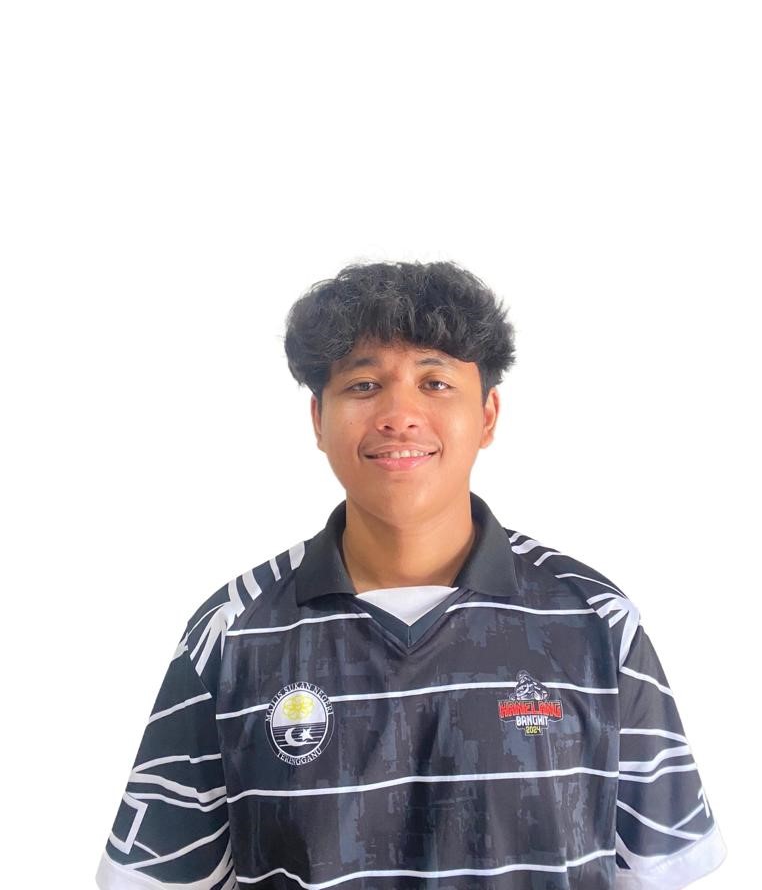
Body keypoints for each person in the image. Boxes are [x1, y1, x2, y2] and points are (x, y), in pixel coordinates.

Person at [96, 259, 727, 890]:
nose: (399, 415)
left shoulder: (594, 622)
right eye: (364, 384)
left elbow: (659, 872)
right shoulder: (231, 633)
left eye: (435, 382)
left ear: (487, 416)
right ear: (318, 419)